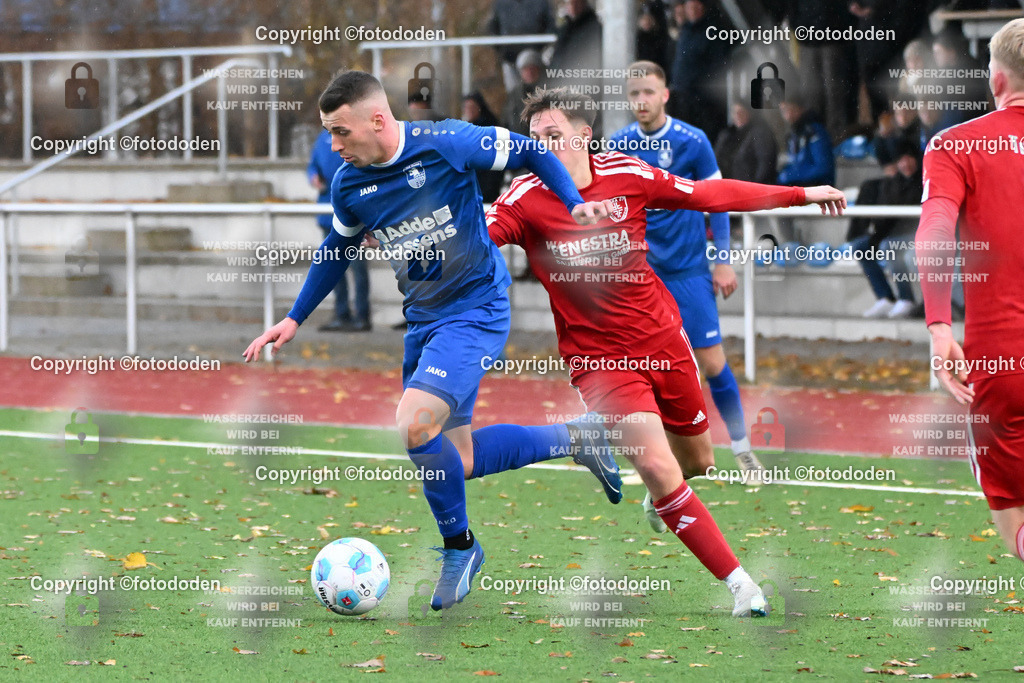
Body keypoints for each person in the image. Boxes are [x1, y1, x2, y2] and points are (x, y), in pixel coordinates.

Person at [243, 71, 621, 610]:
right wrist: (295, 318)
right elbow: (337, 247)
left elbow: (534, 155)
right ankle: (577, 439)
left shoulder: (447, 143)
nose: (333, 145)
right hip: (424, 321)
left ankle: (459, 547)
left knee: (415, 423)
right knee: (456, 457)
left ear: (376, 120)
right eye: (328, 134)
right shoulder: (350, 185)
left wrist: (571, 204)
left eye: (339, 131)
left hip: (476, 311)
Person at [487, 86, 846, 615]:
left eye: (553, 136)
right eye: (533, 140)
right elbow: (478, 238)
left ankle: (668, 498)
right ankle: (743, 587)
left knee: (696, 461)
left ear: (585, 136)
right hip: (598, 362)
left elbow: (709, 195)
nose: (541, 148)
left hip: (662, 340)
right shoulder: (524, 197)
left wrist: (800, 194)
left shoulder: (626, 174)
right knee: (658, 468)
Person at [610, 61, 766, 498]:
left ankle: (741, 446)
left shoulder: (692, 141)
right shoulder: (619, 144)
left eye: (648, 92)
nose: (641, 101)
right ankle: (654, 462)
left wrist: (722, 260)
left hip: (689, 272)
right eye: (634, 94)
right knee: (640, 367)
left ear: (665, 95)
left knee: (712, 363)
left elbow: (716, 201)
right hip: (643, 277)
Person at [915, 18, 1024, 563]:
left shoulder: (957, 144)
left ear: (996, 80)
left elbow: (934, 233)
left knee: (1011, 510)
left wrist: (939, 328)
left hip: (1006, 362)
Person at [847, 141, 922, 319]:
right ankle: (885, 297)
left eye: (909, 158)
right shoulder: (892, 183)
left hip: (916, 234)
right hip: (893, 234)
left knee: (890, 246)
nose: (906, 163)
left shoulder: (924, 180)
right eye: (901, 160)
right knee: (861, 246)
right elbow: (885, 216)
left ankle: (906, 298)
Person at [307, 129, 371, 332]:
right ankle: (342, 313)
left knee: (358, 267)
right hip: (327, 214)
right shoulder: (321, 138)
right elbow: (312, 165)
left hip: (353, 214)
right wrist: (313, 177)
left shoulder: (355, 136)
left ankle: (362, 315)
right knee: (332, 266)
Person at [669, 0, 730, 145]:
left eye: (697, 7)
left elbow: (718, 65)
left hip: (702, 99)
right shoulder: (686, 30)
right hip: (682, 96)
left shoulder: (712, 31)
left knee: (703, 138)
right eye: (690, 8)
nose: (694, 11)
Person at [486, 0, 556, 93]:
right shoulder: (500, 3)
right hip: (510, 58)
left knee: (538, 93)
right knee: (514, 94)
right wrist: (501, 50)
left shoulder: (541, 2)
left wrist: (542, 49)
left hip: (535, 58)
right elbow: (492, 27)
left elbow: (551, 26)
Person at [777, 92, 835, 187]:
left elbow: (823, 167)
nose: (788, 115)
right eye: (783, 111)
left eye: (791, 109)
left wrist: (791, 176)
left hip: (816, 188)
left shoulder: (814, 131)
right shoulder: (794, 133)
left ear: (801, 109)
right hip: (801, 186)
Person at [714, 102, 778, 185]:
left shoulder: (760, 133)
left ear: (749, 113)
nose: (738, 115)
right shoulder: (727, 135)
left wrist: (756, 187)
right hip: (731, 187)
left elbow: (765, 164)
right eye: (735, 112)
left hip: (751, 188)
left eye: (741, 112)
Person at [461, 92, 504, 203]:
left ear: (480, 108)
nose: (469, 111)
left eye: (472, 107)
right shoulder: (467, 129)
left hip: (487, 188)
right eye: (466, 107)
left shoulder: (491, 129)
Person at [502, 49, 547, 137]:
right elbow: (507, 119)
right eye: (526, 69)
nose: (530, 73)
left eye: (533, 69)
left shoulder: (548, 91)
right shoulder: (514, 95)